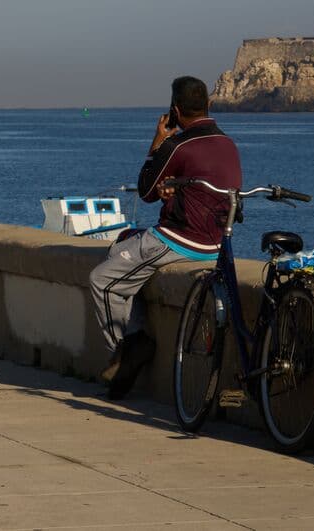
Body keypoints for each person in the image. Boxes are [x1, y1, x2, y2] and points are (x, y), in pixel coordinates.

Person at [90, 76, 241, 400]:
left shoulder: (178, 145)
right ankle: (136, 335)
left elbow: (145, 191)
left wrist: (157, 143)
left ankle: (126, 349)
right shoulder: (228, 143)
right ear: (209, 105)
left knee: (102, 280)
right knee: (122, 244)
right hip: (216, 243)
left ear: (174, 110)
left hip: (180, 240)